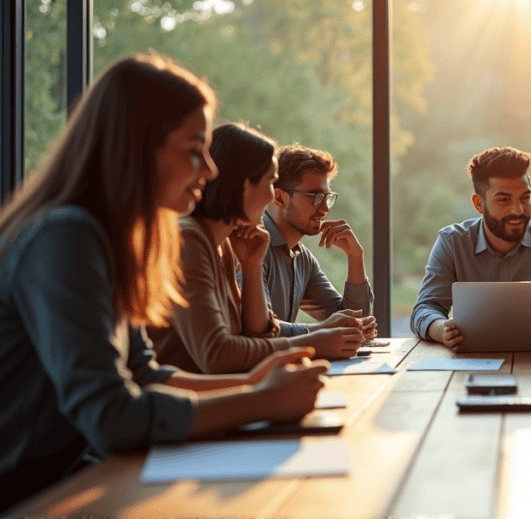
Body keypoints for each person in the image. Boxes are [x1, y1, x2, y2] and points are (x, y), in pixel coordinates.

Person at [0, 55, 329, 510]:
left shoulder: (112, 242)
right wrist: (259, 403)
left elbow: (145, 375)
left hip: (75, 482)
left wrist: (253, 384)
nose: (210, 170)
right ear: (137, 147)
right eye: (195, 148)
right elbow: (112, 415)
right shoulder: (65, 236)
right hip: (32, 497)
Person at [148, 124, 363, 374]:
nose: (272, 196)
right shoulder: (189, 240)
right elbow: (217, 355)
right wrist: (315, 343)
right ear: (242, 185)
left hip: (218, 398)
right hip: (186, 406)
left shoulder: (225, 247)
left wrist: (252, 265)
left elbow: (259, 334)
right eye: (271, 182)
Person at [411, 146, 531, 350]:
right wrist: (442, 330)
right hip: (470, 362)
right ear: (479, 203)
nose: (518, 210)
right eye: (504, 200)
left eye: (525, 197)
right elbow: (425, 309)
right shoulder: (452, 242)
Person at [262, 143, 376, 340]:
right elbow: (258, 328)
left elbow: (355, 321)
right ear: (280, 198)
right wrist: (322, 330)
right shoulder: (251, 248)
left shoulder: (302, 258)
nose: (325, 209)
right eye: (315, 197)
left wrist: (355, 257)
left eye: (327, 197)